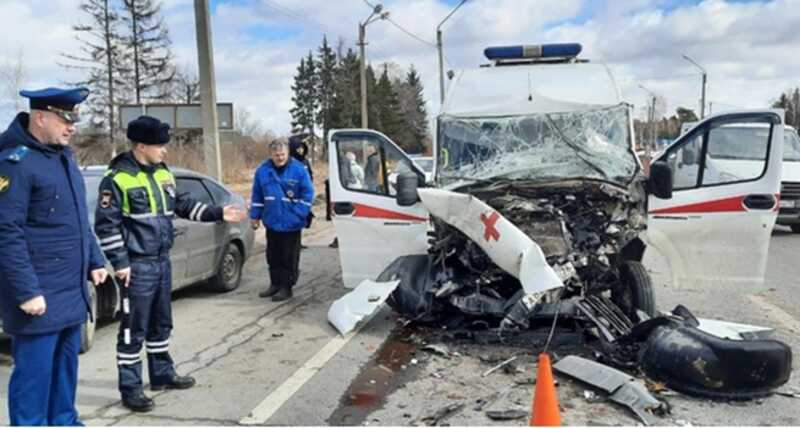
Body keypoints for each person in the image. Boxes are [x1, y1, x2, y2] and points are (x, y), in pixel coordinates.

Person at [93, 115, 246, 413]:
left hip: (162, 262)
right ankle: (131, 388)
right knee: (132, 329)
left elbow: (184, 205)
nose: (165, 150)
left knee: (161, 323)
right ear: (140, 146)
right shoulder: (117, 180)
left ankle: (162, 374)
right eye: (159, 145)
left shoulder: (163, 174)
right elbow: (106, 227)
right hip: (137, 266)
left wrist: (218, 212)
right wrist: (121, 264)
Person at [0, 87, 109, 426]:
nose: (71, 126)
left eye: (73, 119)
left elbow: (78, 218)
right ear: (41, 118)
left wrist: (94, 260)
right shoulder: (14, 163)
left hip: (70, 292)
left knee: (65, 374)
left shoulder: (64, 157)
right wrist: (27, 291)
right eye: (65, 119)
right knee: (33, 384)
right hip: (39, 296)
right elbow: (6, 232)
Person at [250, 140, 314, 302]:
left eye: (282, 155)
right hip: (272, 222)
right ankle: (275, 284)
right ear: (271, 154)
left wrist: (298, 214)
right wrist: (255, 216)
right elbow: (257, 196)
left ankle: (286, 287)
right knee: (273, 256)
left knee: (288, 257)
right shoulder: (262, 171)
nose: (279, 158)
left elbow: (308, 193)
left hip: (291, 224)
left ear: (288, 154)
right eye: (276, 155)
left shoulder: (299, 170)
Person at [289, 136, 314, 249]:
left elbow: (310, 175)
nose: (300, 150)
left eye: (301, 148)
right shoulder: (289, 162)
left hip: (304, 194)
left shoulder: (305, 161)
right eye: (297, 148)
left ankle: (298, 242)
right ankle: (292, 243)